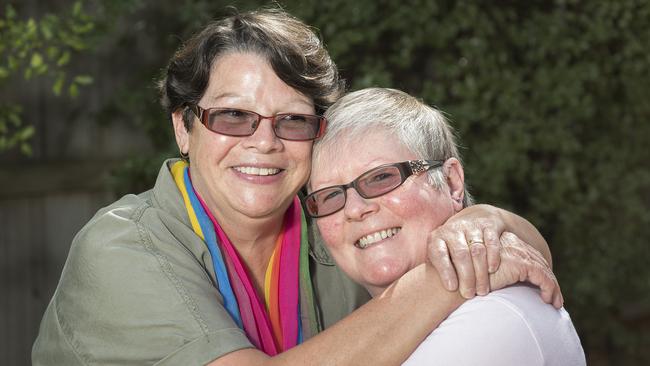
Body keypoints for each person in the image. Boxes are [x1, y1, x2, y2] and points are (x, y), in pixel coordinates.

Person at [33, 9, 560, 365]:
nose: (264, 142)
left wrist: (478, 223)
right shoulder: (120, 248)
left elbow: (527, 252)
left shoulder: (331, 217)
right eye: (234, 117)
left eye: (291, 121)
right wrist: (439, 280)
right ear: (182, 127)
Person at [307, 87, 585, 365]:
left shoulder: (493, 322)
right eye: (330, 195)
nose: (354, 209)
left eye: (381, 177)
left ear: (452, 182)